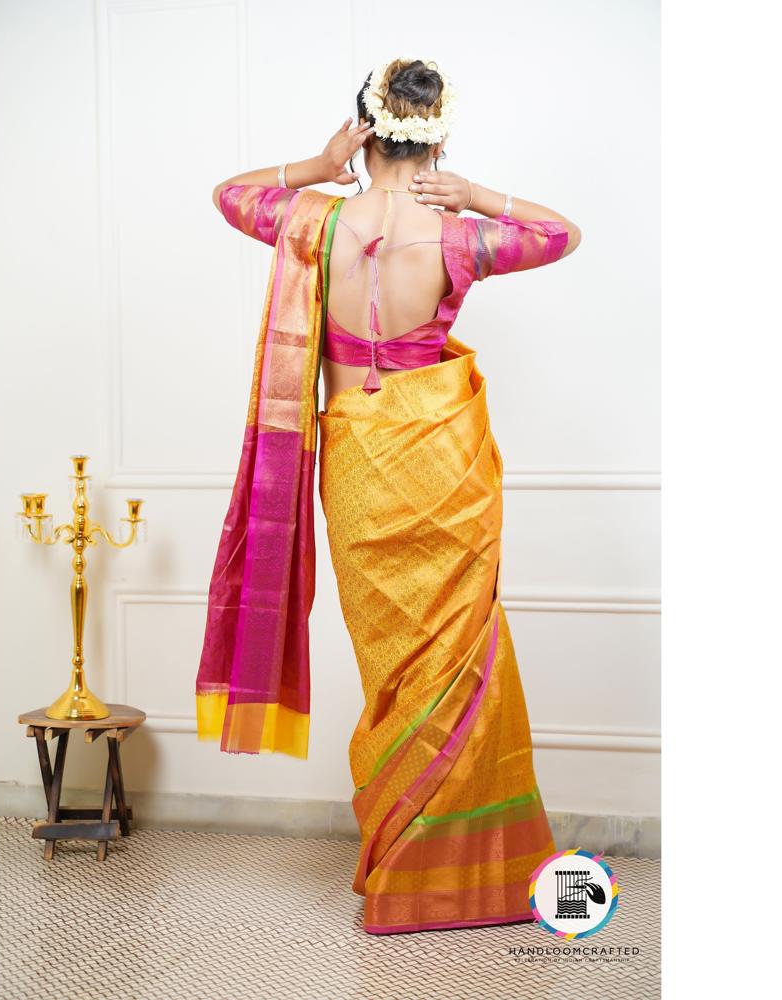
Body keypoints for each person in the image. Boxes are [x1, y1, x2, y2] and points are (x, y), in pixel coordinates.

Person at [195, 57, 581, 935]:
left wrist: (317, 166)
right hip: (443, 455)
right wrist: (475, 191)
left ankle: (404, 860)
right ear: (439, 136)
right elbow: (562, 234)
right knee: (455, 648)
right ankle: (460, 872)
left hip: (359, 460)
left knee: (392, 662)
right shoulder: (457, 238)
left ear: (364, 129)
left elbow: (229, 193)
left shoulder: (313, 224)